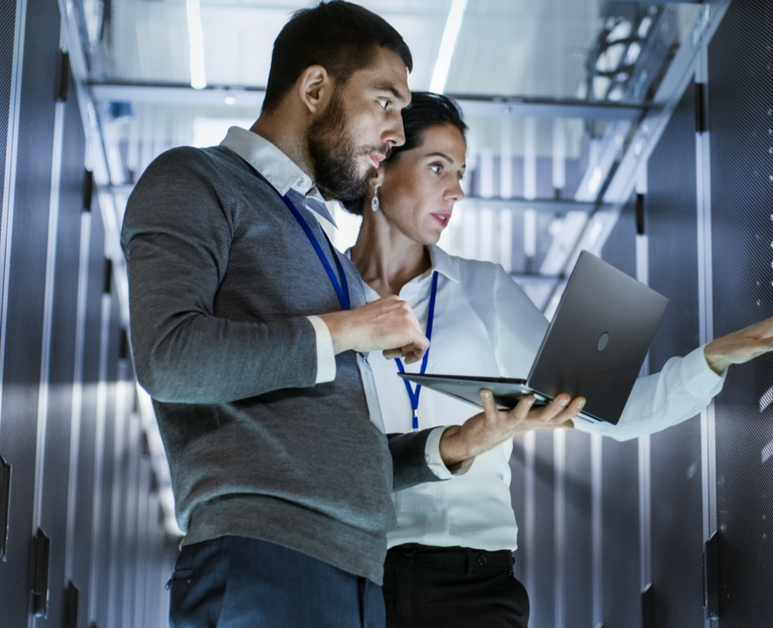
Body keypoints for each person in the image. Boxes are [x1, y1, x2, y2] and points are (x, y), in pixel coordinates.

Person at [121, 5, 581, 627]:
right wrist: (350, 328)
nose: (396, 131)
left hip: (358, 574)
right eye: (386, 102)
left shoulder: (320, 246)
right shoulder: (196, 179)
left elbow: (346, 453)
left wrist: (461, 443)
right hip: (264, 557)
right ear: (315, 89)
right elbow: (169, 358)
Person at [346, 92, 773, 628]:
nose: (457, 190)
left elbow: (607, 412)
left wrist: (716, 357)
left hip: (473, 583)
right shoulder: (325, 299)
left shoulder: (481, 288)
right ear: (379, 166)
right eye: (438, 166)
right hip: (354, 577)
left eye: (460, 172)